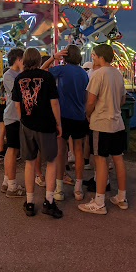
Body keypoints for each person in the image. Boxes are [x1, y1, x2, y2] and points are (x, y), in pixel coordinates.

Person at [12, 48, 63, 218]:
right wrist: (58, 123)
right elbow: (54, 103)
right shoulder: (47, 77)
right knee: (50, 162)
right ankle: (49, 201)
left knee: (29, 162)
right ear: (39, 60)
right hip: (47, 125)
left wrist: (24, 120)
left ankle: (30, 201)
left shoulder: (19, 79)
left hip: (27, 126)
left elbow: (17, 105)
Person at [79, 44, 127, 215]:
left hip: (101, 124)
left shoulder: (98, 74)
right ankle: (121, 197)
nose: (93, 58)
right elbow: (122, 100)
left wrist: (87, 114)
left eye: (94, 56)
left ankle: (99, 202)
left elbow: (90, 101)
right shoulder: (118, 74)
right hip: (118, 123)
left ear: (100, 57)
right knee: (118, 160)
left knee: (101, 162)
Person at [41, 45, 89, 201]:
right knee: (79, 152)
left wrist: (53, 57)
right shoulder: (83, 73)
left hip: (63, 117)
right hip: (79, 116)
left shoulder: (61, 69)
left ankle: (59, 189)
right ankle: (78, 188)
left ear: (65, 56)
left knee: (61, 153)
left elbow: (41, 71)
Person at [1, 48, 25, 198]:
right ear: (18, 59)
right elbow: (19, 92)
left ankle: (6, 181)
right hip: (13, 116)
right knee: (12, 149)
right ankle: (12, 186)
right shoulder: (9, 75)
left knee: (13, 149)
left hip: (15, 116)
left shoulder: (16, 74)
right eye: (23, 58)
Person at [0, 67, 9, 160]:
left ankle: (0, 152)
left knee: (1, 131)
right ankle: (9, 151)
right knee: (9, 131)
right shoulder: (9, 84)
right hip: (7, 108)